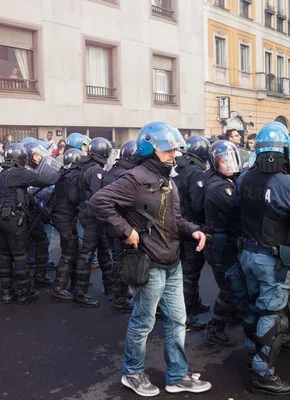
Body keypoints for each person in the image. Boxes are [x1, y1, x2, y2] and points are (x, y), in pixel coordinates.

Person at [88, 122, 211, 397]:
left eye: (174, 149)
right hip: (149, 262)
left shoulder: (167, 179)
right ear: (149, 148)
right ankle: (132, 373)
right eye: (167, 149)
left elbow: (174, 219)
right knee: (143, 322)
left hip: (172, 262)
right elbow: (99, 202)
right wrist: (126, 231)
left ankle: (177, 376)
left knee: (177, 321)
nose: (173, 153)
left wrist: (193, 230)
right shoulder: (135, 178)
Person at [233, 121, 290, 395]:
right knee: (272, 315)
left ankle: (252, 355)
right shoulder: (286, 183)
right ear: (283, 150)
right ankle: (263, 373)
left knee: (255, 307)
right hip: (271, 258)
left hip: (247, 254)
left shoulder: (244, 178)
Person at [0, 144, 58, 304]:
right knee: (20, 255)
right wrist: (61, 172)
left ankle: (7, 292)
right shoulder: (19, 172)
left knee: (5, 255)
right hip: (13, 219)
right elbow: (47, 180)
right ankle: (24, 291)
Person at [203, 140, 241, 347]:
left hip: (226, 242)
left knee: (234, 283)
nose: (229, 164)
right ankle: (215, 328)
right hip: (218, 244)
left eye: (231, 159)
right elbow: (236, 208)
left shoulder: (228, 182)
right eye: (224, 161)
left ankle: (231, 315)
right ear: (215, 163)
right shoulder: (219, 187)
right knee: (227, 287)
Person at [172, 135, 210, 330]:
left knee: (184, 270)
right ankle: (186, 316)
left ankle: (194, 304)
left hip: (178, 225)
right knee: (191, 272)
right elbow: (198, 205)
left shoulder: (178, 167)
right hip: (192, 227)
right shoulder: (196, 172)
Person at [100, 140, 140, 313]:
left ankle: (119, 294)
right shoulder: (125, 175)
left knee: (117, 258)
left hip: (111, 223)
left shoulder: (113, 171)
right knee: (122, 260)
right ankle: (121, 298)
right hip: (122, 223)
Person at [73, 137, 113, 307]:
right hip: (93, 217)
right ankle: (80, 292)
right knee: (88, 253)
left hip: (89, 215)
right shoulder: (96, 171)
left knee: (103, 250)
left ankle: (110, 285)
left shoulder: (85, 167)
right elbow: (99, 197)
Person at [51, 148, 84, 303]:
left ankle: (73, 284)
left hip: (60, 215)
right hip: (66, 215)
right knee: (69, 251)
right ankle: (59, 287)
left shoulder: (62, 173)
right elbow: (73, 197)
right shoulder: (75, 175)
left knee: (72, 248)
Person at [23, 141, 55, 288]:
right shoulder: (26, 172)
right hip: (32, 211)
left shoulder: (36, 170)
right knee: (39, 238)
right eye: (37, 155)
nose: (39, 158)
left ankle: (40, 260)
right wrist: (50, 189)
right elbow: (34, 191)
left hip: (40, 209)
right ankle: (34, 262)